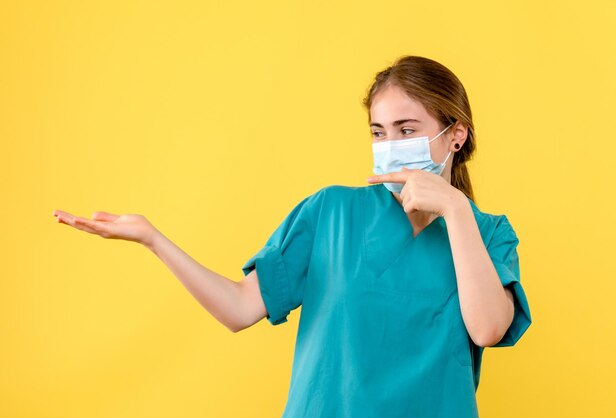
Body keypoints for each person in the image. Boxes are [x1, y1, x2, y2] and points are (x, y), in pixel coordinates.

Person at [53, 55, 532, 418]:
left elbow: (487, 328)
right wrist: (153, 238)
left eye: (407, 130)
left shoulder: (488, 234)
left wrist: (454, 208)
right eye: (378, 132)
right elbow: (240, 308)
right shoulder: (330, 212)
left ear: (456, 135)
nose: (390, 147)